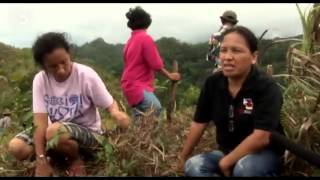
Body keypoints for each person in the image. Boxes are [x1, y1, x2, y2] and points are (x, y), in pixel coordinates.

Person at [7, 32, 131, 176]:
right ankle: (55, 157)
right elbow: (39, 123)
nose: (60, 69)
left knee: (54, 131)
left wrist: (116, 113)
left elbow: (110, 104)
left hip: (88, 134)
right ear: (44, 66)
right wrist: (41, 161)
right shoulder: (40, 80)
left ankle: (75, 158)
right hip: (53, 133)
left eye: (64, 62)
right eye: (53, 66)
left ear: (69, 54)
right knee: (16, 147)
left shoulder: (86, 75)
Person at [177, 26, 285, 177]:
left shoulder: (265, 87)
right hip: (226, 151)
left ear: (253, 57)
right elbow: (199, 123)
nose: (227, 57)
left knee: (244, 170)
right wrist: (183, 157)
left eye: (236, 51)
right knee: (194, 166)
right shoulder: (213, 83)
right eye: (224, 50)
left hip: (262, 154)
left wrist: (226, 162)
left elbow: (262, 137)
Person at [121, 6, 181, 120]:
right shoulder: (145, 38)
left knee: (140, 117)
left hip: (128, 85)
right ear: (146, 22)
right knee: (155, 108)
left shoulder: (130, 41)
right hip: (137, 85)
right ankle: (145, 137)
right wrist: (170, 76)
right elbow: (156, 64)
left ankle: (137, 137)